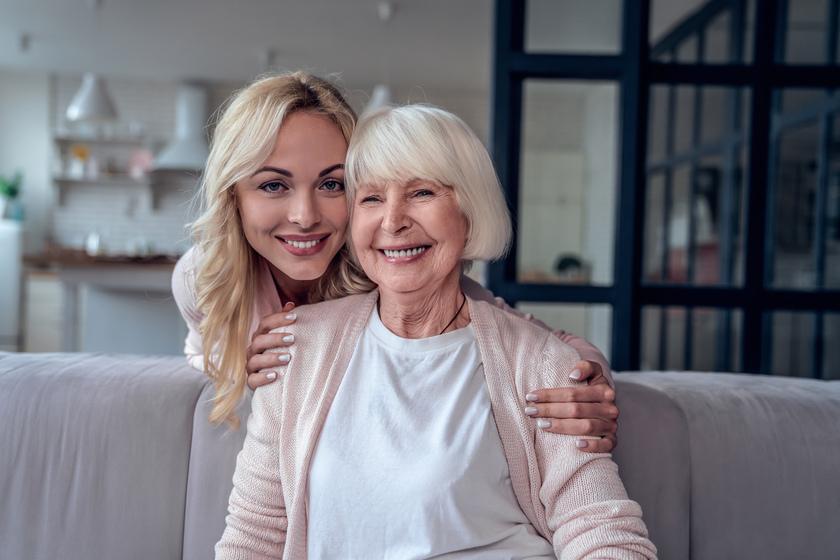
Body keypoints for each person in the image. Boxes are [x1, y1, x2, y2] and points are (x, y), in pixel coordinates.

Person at [216, 104, 656, 558]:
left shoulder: (538, 363)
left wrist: (590, 373)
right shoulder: (295, 348)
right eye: (370, 198)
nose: (392, 221)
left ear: (470, 212)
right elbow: (254, 536)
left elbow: (602, 533)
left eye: (422, 192)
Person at [172, 71, 618, 452]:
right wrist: (239, 364)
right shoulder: (202, 277)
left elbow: (532, 336)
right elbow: (202, 349)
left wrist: (591, 382)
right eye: (273, 186)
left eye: (332, 185)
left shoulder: (384, 272)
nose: (305, 217)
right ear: (233, 195)